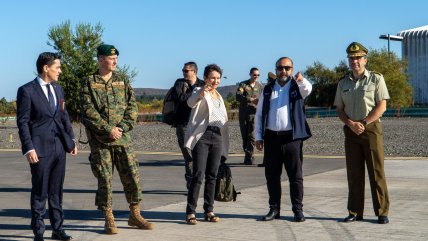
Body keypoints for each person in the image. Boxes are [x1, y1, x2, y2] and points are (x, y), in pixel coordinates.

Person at [80, 44, 154, 234]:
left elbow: (132, 107)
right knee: (105, 179)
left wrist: (121, 127)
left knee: (132, 175)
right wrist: (107, 129)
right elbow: (88, 111)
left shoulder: (122, 80)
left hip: (122, 138)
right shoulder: (89, 82)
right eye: (111, 58)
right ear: (100, 59)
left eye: (116, 58)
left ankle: (135, 214)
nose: (115, 61)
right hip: (100, 140)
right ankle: (108, 217)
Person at [16, 52, 77, 241]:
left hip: (59, 147)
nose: (60, 70)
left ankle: (58, 229)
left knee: (56, 190)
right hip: (39, 149)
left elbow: (63, 116)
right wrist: (29, 148)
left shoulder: (58, 89)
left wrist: (71, 140)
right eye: (57, 67)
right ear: (46, 68)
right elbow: (23, 122)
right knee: (40, 191)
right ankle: (39, 232)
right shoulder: (27, 90)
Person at [334, 42, 390, 224]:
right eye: (351, 58)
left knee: (376, 171)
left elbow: (382, 105)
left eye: (358, 58)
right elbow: (339, 109)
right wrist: (351, 124)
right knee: (354, 173)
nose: (354, 61)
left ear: (365, 60)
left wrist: (364, 122)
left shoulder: (376, 79)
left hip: (370, 128)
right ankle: (355, 211)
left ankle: (382, 212)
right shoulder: (343, 83)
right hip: (351, 130)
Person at [255, 57, 312, 222]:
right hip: (272, 138)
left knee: (295, 176)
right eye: (280, 68)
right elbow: (259, 115)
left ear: (292, 69)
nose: (283, 71)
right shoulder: (267, 89)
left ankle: (297, 210)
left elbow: (307, 89)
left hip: (291, 138)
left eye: (287, 68)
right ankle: (274, 209)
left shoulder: (297, 87)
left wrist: (302, 80)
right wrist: (258, 136)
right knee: (272, 176)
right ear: (276, 69)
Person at [184, 64, 229, 225]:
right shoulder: (199, 91)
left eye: (218, 78)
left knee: (213, 175)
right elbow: (190, 103)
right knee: (198, 175)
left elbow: (223, 121)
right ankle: (191, 211)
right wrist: (202, 92)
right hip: (202, 136)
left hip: (217, 137)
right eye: (212, 78)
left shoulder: (219, 96)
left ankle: (209, 210)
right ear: (205, 78)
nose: (215, 81)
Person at [171, 62, 205, 190]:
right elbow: (181, 98)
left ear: (194, 71)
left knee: (199, 155)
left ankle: (197, 181)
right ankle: (191, 183)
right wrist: (196, 93)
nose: (184, 73)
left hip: (199, 124)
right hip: (183, 124)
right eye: (183, 70)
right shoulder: (179, 83)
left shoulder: (202, 84)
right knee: (188, 155)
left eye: (186, 71)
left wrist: (197, 93)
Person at [236, 67, 263, 165]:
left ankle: (249, 156)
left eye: (258, 75)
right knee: (244, 136)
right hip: (243, 113)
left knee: (252, 135)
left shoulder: (260, 87)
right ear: (250, 74)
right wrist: (250, 99)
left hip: (254, 114)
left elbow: (263, 98)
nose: (256, 76)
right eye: (254, 74)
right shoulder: (243, 84)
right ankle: (247, 155)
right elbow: (238, 96)